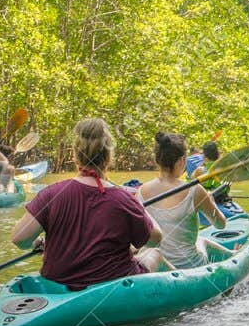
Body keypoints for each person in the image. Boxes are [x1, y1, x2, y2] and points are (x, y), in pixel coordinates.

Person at [9, 118, 162, 288]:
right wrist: (138, 203)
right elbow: (155, 239)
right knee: (154, 253)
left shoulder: (50, 194)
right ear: (108, 157)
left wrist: (36, 242)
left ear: (75, 155)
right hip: (111, 286)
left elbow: (19, 239)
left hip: (59, 284)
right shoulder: (124, 200)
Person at [134, 132, 225, 270]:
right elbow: (220, 224)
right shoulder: (196, 190)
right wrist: (210, 202)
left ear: (157, 159)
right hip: (189, 267)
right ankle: (234, 256)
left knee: (202, 241)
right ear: (182, 160)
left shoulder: (140, 192)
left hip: (153, 266)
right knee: (203, 241)